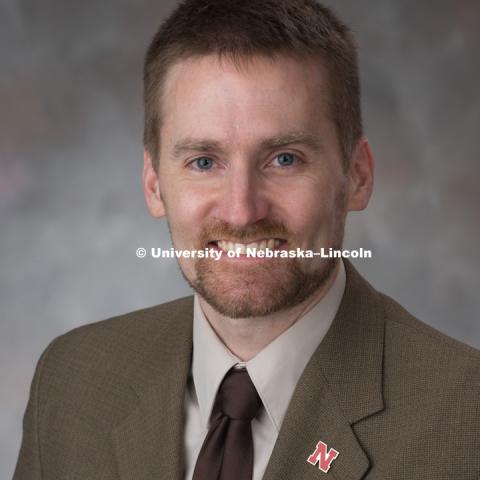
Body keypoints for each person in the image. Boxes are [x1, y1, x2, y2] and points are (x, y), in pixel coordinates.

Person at [13, 0, 480, 479]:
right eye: (203, 162)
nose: (242, 210)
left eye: (284, 159)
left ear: (357, 176)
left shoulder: (467, 424)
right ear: (154, 184)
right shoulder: (71, 381)